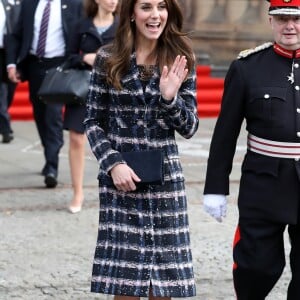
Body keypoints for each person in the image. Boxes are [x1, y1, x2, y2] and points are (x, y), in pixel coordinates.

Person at [84, 0, 199, 298]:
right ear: (132, 14)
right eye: (146, 7)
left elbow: (189, 127)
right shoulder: (108, 58)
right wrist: (113, 163)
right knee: (125, 285)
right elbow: (93, 121)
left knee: (162, 288)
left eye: (161, 6)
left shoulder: (181, 57)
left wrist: (170, 99)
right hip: (122, 185)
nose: (155, 15)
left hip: (165, 185)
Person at [203, 0, 300, 298]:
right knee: (255, 268)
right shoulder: (247, 68)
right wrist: (215, 188)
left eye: (296, 19)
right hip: (263, 184)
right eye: (282, 18)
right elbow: (226, 133)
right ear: (270, 21)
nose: (289, 26)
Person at [6, 0, 83, 188]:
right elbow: (16, 34)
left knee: (52, 115)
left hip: (58, 66)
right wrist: (12, 64)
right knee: (39, 114)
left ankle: (51, 166)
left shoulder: (73, 4)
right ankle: (50, 152)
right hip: (34, 65)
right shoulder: (29, 3)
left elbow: (81, 33)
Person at [64, 0, 119, 213]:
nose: (113, 1)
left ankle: (115, 187)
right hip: (84, 89)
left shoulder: (124, 25)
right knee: (77, 138)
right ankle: (78, 191)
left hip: (115, 88)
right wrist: (86, 58)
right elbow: (69, 57)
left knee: (115, 139)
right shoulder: (81, 25)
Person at [0, 0, 21, 143]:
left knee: (10, 91)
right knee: (1, 92)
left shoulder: (14, 5)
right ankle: (6, 128)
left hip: (9, 53)